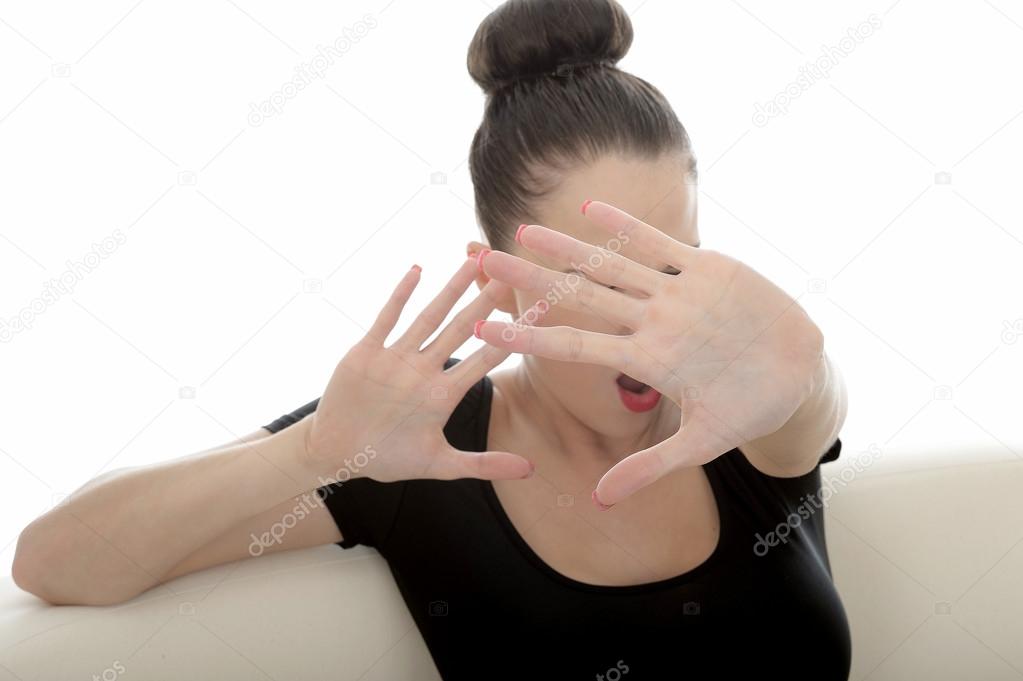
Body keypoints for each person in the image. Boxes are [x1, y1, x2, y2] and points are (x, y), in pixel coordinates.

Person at [12, 0, 851, 678]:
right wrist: (312, 452)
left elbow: (803, 405)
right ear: (498, 276)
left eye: (674, 264)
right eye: (596, 278)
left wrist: (806, 367)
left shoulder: (744, 392)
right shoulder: (424, 442)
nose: (644, 317)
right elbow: (56, 563)